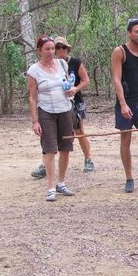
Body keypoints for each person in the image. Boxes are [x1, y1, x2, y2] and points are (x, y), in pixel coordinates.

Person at [31, 36, 94, 178]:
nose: (59, 50)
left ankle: (88, 158)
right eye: (56, 47)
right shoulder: (44, 67)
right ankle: (45, 165)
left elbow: (85, 80)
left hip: (74, 102)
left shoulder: (74, 62)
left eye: (62, 47)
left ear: (67, 49)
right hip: (52, 106)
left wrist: (76, 89)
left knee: (78, 131)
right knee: (49, 137)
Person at [27, 35, 76, 201]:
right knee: (49, 149)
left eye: (52, 48)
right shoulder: (34, 70)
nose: (50, 52)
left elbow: (68, 83)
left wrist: (72, 90)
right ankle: (50, 187)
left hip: (65, 109)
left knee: (65, 147)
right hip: (46, 111)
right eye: (46, 49)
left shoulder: (62, 64)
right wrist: (35, 121)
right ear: (39, 51)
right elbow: (32, 97)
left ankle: (61, 183)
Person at [110, 18, 138, 193]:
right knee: (125, 139)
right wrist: (123, 104)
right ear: (129, 33)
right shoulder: (120, 52)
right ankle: (129, 178)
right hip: (126, 102)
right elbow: (116, 78)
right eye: (137, 31)